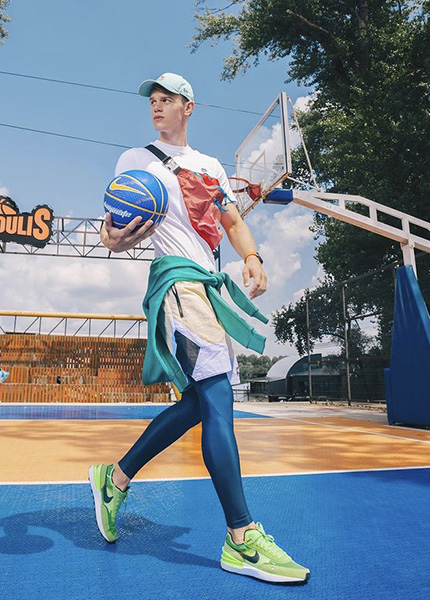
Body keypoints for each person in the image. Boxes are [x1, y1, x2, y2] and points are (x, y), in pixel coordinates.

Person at [89, 73, 309, 585]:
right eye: (152, 101)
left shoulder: (210, 167)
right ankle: (241, 536)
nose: (156, 107)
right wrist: (114, 238)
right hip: (176, 283)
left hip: (208, 287)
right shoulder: (136, 160)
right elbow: (113, 229)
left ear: (188, 107)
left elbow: (231, 222)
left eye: (166, 100)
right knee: (218, 398)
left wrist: (252, 256)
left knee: (200, 403)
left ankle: (114, 478)